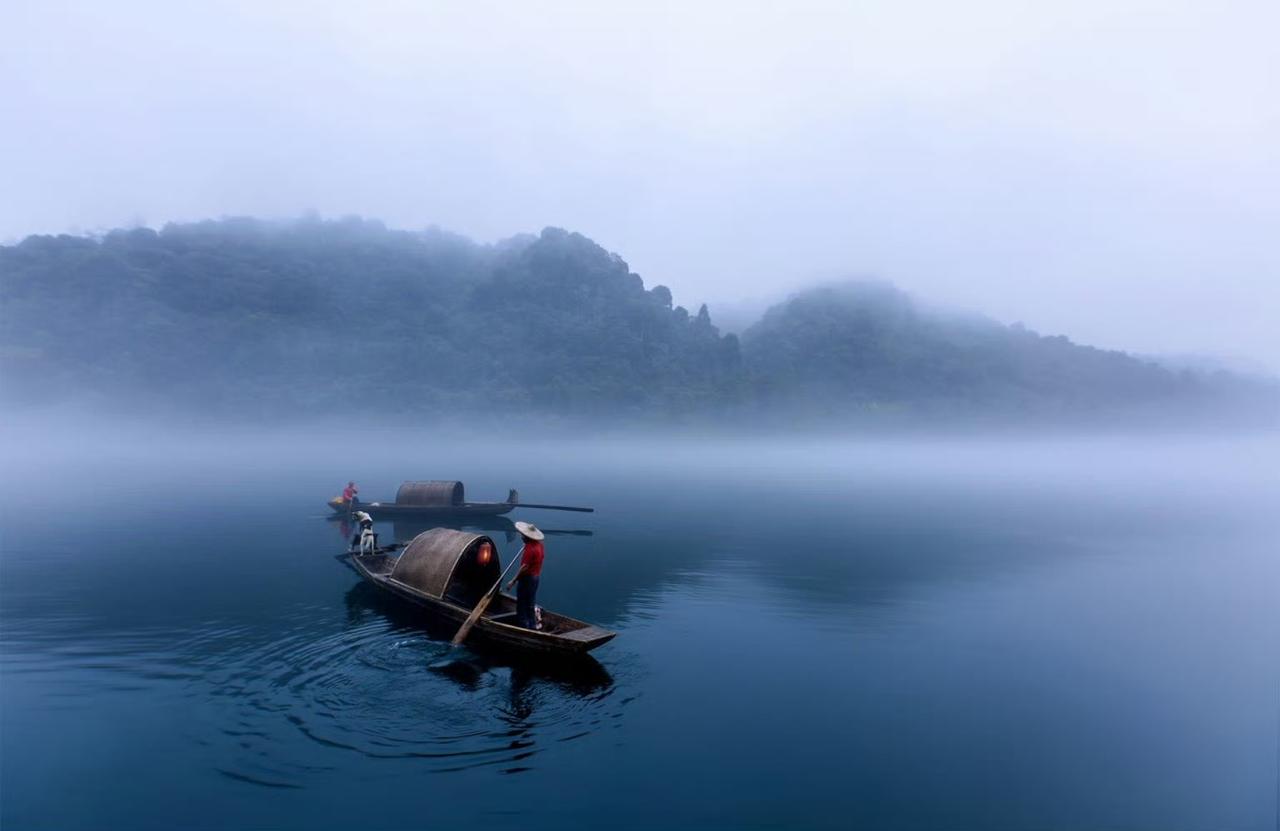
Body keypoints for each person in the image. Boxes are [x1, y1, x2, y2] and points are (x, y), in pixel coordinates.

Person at [505, 521, 545, 630]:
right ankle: (532, 626)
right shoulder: (539, 546)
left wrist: (513, 581)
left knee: (522, 603)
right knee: (530, 603)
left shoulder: (531, 549)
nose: (521, 536)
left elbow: (524, 568)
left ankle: (523, 626)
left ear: (528, 537)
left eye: (523, 535)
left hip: (528, 578)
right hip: (536, 578)